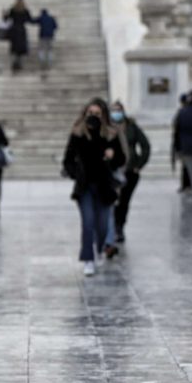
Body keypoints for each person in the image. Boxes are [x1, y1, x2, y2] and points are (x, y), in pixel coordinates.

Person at [62, 98, 126, 276]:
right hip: (85, 187)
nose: (94, 117)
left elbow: (122, 160)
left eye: (97, 114)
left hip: (105, 185)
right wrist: (77, 173)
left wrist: (112, 155)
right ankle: (88, 259)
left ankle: (98, 250)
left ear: (104, 115)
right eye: (90, 113)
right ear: (85, 114)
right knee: (88, 222)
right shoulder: (78, 133)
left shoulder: (111, 134)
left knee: (103, 226)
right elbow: (67, 160)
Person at [109, 101, 150, 243]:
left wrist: (139, 164)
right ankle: (112, 227)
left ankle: (119, 227)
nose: (116, 113)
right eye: (113, 110)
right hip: (111, 171)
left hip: (129, 170)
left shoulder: (131, 127)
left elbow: (145, 146)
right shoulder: (105, 128)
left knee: (124, 201)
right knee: (111, 200)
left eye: (119, 110)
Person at [6, 0, 33, 72]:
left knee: (15, 46)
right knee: (21, 47)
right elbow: (30, 20)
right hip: (21, 30)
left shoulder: (13, 10)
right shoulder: (25, 11)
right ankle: (20, 62)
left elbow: (7, 19)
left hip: (14, 30)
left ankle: (15, 61)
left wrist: (4, 15)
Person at [172, 93, 191, 193]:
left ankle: (187, 185)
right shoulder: (183, 113)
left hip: (185, 145)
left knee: (186, 167)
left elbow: (176, 130)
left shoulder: (182, 113)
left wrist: (177, 147)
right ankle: (187, 185)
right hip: (187, 145)